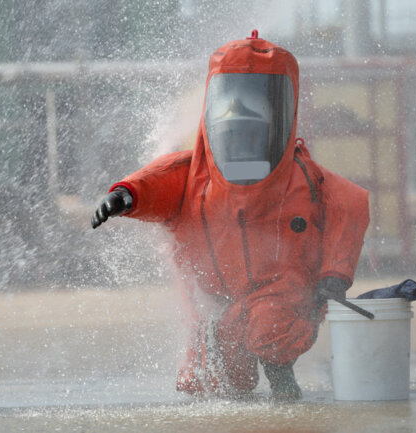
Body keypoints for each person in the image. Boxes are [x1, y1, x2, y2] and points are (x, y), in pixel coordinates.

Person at [91, 30, 369, 401]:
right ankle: (245, 374)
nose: (243, 143)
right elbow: (156, 182)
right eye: (234, 133)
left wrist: (334, 276)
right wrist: (125, 196)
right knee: (209, 380)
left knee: (271, 325)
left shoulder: (304, 177)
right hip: (216, 298)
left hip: (282, 291)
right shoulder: (194, 174)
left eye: (253, 134)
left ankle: (282, 378)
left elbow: (348, 208)